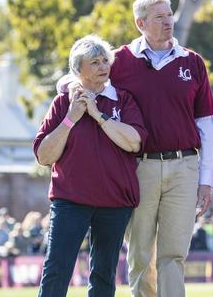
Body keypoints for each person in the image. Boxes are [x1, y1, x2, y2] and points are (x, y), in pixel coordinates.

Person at [110, 0, 213, 297]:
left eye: (169, 15)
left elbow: (207, 125)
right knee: (141, 253)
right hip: (138, 168)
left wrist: (206, 179)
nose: (168, 22)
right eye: (159, 17)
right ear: (140, 23)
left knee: (173, 255)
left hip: (184, 167)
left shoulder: (193, 62)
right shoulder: (119, 62)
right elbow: (87, 78)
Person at [34, 35, 147, 297]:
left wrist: (98, 115)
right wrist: (70, 119)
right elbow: (44, 155)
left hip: (115, 200)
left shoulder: (124, 100)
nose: (102, 67)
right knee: (57, 269)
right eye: (94, 62)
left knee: (104, 274)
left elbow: (134, 143)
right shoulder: (63, 102)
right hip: (70, 199)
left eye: (105, 60)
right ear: (77, 70)